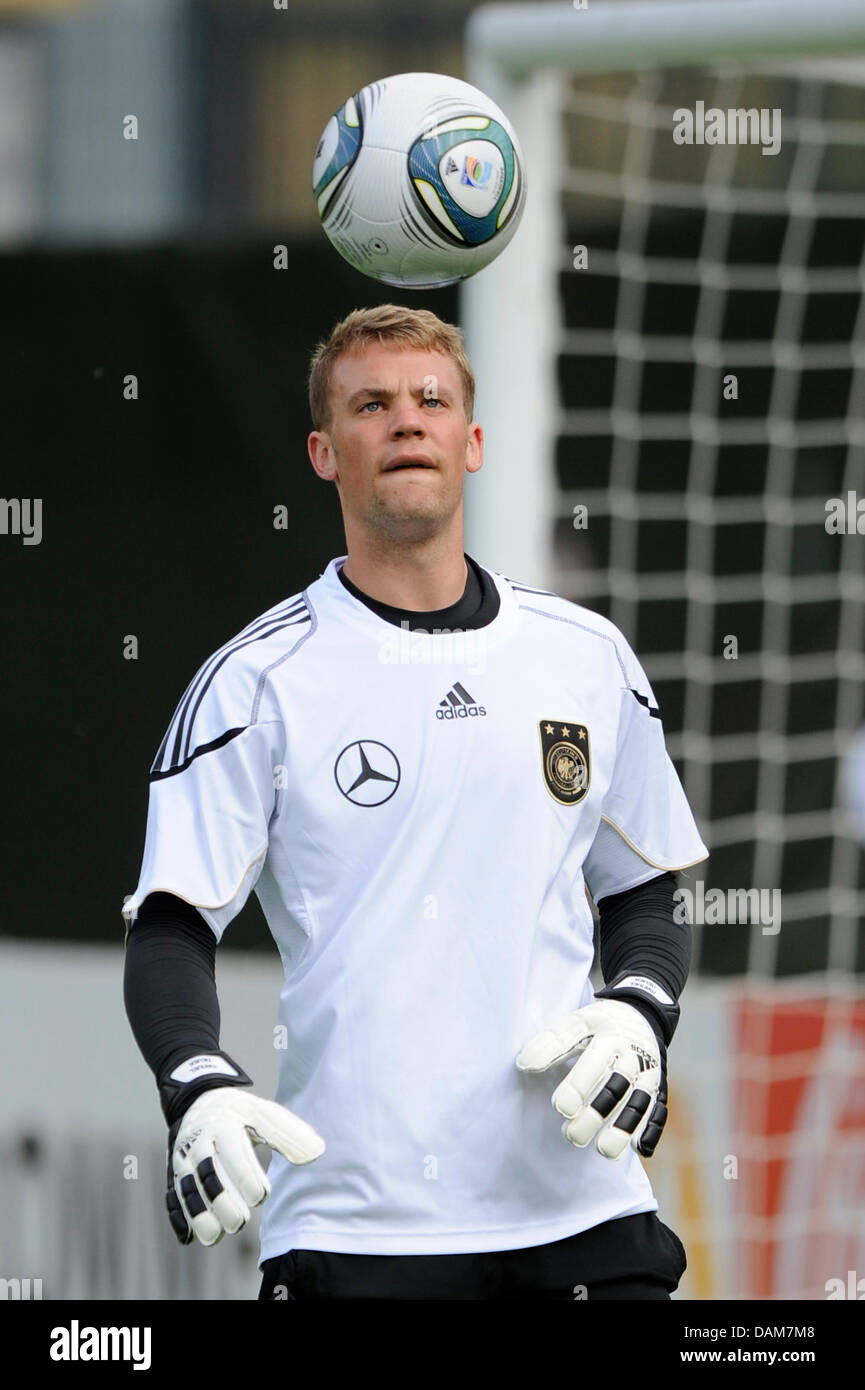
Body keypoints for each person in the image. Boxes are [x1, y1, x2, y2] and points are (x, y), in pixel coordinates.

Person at [122, 303, 708, 1301]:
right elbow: (174, 924)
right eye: (371, 404)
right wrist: (195, 1082)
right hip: (358, 1231)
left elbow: (643, 885)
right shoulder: (255, 682)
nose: (406, 421)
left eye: (431, 400)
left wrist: (642, 1009)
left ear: (471, 441)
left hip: (584, 1218)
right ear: (323, 451)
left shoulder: (585, 659)